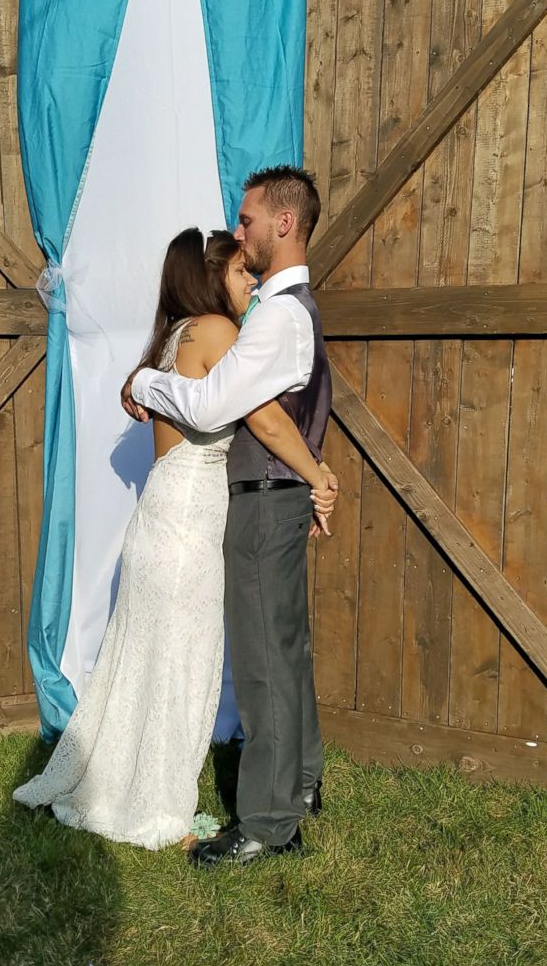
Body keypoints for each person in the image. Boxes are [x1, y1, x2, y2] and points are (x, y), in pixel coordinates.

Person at [13, 227, 336, 850]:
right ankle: (154, 806)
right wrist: (317, 472)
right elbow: (266, 418)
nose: (251, 284)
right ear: (210, 277)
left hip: (161, 520)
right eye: (242, 274)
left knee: (144, 661)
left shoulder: (170, 340)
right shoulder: (217, 333)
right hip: (188, 525)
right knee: (180, 667)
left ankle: (115, 781)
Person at [123, 166, 335, 866]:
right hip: (278, 496)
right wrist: (317, 479)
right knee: (287, 650)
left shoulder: (276, 317)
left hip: (264, 502)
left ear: (284, 223)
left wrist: (147, 380)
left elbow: (223, 409)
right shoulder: (284, 311)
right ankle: (300, 785)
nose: (238, 235)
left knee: (264, 661)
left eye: (246, 221)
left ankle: (268, 822)